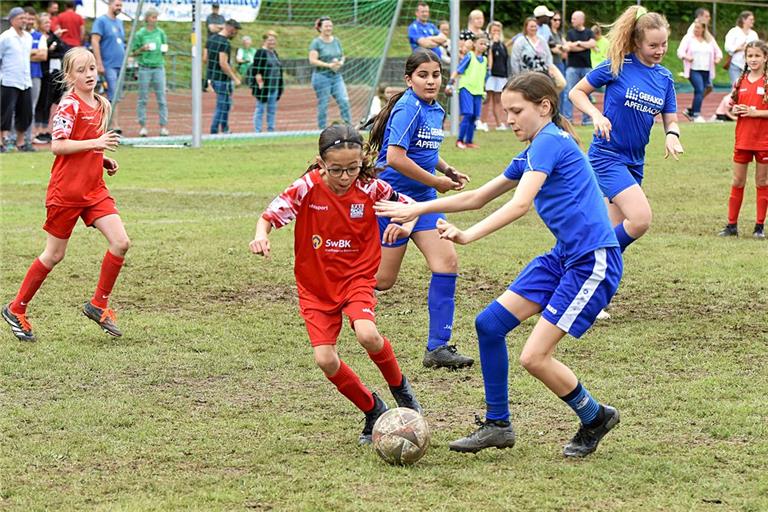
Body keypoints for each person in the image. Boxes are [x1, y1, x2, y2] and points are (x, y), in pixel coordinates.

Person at [375, 72, 624, 458]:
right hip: (563, 257)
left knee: (534, 357)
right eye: (506, 110)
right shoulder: (533, 149)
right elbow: (476, 197)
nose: (508, 118)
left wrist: (468, 235)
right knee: (489, 325)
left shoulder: (549, 143)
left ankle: (594, 416)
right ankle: (498, 425)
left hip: (592, 261)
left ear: (544, 107)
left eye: (516, 110)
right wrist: (418, 208)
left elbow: (520, 204)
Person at [250, 124, 422, 445]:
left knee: (368, 334)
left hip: (357, 277)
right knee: (325, 360)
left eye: (353, 169)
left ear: (362, 163)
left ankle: (402, 391)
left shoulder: (370, 188)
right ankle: (373, 410)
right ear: (321, 163)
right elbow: (269, 216)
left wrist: (405, 225)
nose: (346, 177)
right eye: (337, 170)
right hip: (315, 287)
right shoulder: (306, 188)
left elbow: (411, 206)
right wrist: (261, 236)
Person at [2, 47, 128, 343]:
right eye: (82, 70)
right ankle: (16, 308)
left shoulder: (100, 104)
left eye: (93, 69)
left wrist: (100, 158)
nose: (89, 75)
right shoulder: (68, 105)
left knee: (121, 242)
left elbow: (85, 146)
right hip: (66, 193)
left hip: (94, 190)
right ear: (69, 76)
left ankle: (99, 305)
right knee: (54, 254)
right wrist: (95, 143)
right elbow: (58, 146)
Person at [366, 49, 474, 369]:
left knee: (446, 262)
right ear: (409, 79)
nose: (431, 81)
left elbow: (426, 148)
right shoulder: (407, 109)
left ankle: (437, 348)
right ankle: (331, 290)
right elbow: (396, 158)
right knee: (383, 281)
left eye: (436, 75)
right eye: (423, 75)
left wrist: (447, 169)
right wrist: (437, 182)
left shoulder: (434, 108)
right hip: (393, 202)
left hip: (424, 202)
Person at [569, 5, 683, 254]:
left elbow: (671, 119)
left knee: (612, 231)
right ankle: (586, 260)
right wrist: (596, 114)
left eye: (663, 44)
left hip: (635, 162)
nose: (660, 50)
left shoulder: (664, 78)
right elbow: (576, 92)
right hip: (607, 156)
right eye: (653, 45)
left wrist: (672, 135)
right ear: (637, 41)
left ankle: (590, 273)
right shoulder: (618, 64)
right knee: (640, 219)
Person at [717, 40, 768, 240]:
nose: (753, 59)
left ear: (765, 57)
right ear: (745, 59)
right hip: (743, 140)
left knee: (762, 181)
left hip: (764, 141)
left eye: (757, 56)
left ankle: (759, 226)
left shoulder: (766, 81)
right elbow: (733, 105)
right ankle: (731, 225)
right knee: (737, 181)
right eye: (750, 56)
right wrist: (736, 108)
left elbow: (756, 110)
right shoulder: (740, 81)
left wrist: (756, 112)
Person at [0, 7, 34, 153]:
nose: (24, 21)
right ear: (12, 20)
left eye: (25, 18)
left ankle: (21, 142)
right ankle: (2, 141)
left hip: (25, 80)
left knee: (25, 112)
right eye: (21, 18)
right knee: (5, 112)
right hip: (9, 80)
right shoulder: (5, 37)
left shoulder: (28, 37)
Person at [309, 17, 351, 129]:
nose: (329, 28)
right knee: (324, 103)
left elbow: (342, 55)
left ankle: (348, 127)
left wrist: (340, 62)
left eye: (330, 26)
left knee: (344, 100)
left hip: (336, 76)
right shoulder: (316, 42)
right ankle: (322, 128)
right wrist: (328, 65)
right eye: (326, 26)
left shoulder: (336, 40)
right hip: (321, 77)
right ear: (320, 28)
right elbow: (312, 60)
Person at [132, 7, 169, 137]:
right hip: (144, 68)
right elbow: (134, 52)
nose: (155, 20)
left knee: (162, 98)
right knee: (143, 98)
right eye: (153, 17)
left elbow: (165, 47)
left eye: (156, 17)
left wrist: (164, 50)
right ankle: (142, 126)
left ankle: (163, 127)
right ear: (147, 18)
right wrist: (143, 48)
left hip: (159, 67)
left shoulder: (161, 33)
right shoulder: (140, 34)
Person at [447, 35, 489, 148]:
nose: (483, 46)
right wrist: (450, 83)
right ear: (474, 44)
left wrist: (484, 90)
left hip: (478, 91)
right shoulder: (470, 56)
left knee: (475, 116)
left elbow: (484, 77)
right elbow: (458, 70)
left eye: (485, 44)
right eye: (481, 43)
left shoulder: (485, 60)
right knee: (468, 114)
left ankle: (469, 141)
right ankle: (459, 140)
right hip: (466, 88)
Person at [677, 22, 722, 122]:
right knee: (699, 89)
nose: (696, 29)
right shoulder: (688, 38)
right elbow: (680, 51)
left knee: (705, 89)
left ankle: (691, 111)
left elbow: (718, 52)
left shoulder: (709, 40)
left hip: (706, 70)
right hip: (693, 69)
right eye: (694, 28)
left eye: (698, 28)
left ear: (703, 29)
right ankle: (696, 115)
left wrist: (717, 59)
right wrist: (687, 57)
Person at [91, 0, 125, 132]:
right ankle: (112, 124)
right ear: (110, 5)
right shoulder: (101, 21)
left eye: (121, 5)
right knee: (111, 94)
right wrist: (98, 62)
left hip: (119, 65)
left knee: (116, 95)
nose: (119, 8)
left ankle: (112, 123)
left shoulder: (120, 22)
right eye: (117, 5)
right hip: (107, 64)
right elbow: (95, 40)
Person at [206, 18, 241, 134]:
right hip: (222, 79)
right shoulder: (225, 43)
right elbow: (223, 63)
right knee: (222, 106)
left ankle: (225, 129)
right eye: (236, 31)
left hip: (212, 77)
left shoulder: (210, 39)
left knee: (225, 105)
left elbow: (205, 59)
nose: (236, 34)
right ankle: (214, 131)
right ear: (231, 29)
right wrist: (235, 78)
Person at [562, 11, 595, 125]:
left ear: (582, 20)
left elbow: (592, 44)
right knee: (569, 93)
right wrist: (584, 46)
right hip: (572, 67)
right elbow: (568, 47)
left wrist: (578, 43)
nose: (572, 21)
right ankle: (568, 119)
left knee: (588, 94)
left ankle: (586, 119)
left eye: (574, 19)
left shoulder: (589, 32)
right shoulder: (570, 33)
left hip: (586, 67)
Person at [249, 30, 283, 133]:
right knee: (260, 108)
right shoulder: (260, 52)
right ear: (264, 41)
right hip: (265, 87)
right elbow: (256, 70)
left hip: (275, 86)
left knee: (272, 110)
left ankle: (271, 129)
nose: (272, 42)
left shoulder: (274, 53)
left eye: (274, 40)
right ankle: (258, 130)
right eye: (270, 40)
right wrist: (260, 83)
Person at [484, 22, 510, 131]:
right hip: (491, 75)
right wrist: (493, 43)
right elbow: (489, 57)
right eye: (494, 30)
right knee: (487, 99)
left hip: (501, 75)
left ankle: (499, 123)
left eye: (498, 31)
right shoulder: (488, 44)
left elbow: (505, 60)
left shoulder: (502, 45)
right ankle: (482, 122)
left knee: (498, 100)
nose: (496, 33)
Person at [724, 12, 758, 86]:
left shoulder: (753, 34)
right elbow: (727, 46)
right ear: (743, 20)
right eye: (750, 19)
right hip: (735, 64)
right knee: (736, 86)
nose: (753, 21)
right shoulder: (734, 31)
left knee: (748, 87)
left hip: (749, 65)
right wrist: (739, 48)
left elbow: (758, 48)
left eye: (753, 19)